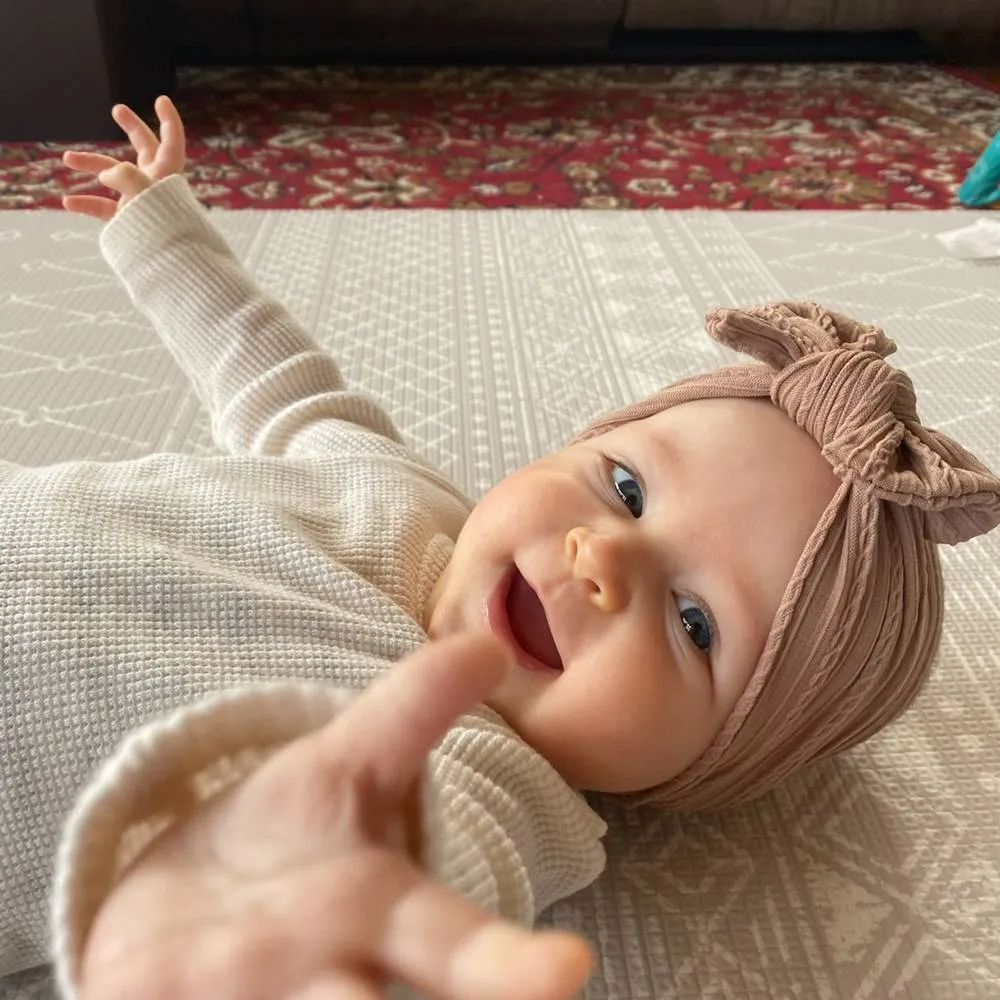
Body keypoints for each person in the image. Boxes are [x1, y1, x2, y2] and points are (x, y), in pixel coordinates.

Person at [2, 95, 997, 1000]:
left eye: (695, 623)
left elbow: (423, 877)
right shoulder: (403, 495)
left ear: (701, 768)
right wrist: (165, 230)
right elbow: (276, 384)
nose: (606, 558)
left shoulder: (489, 782)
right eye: (627, 487)